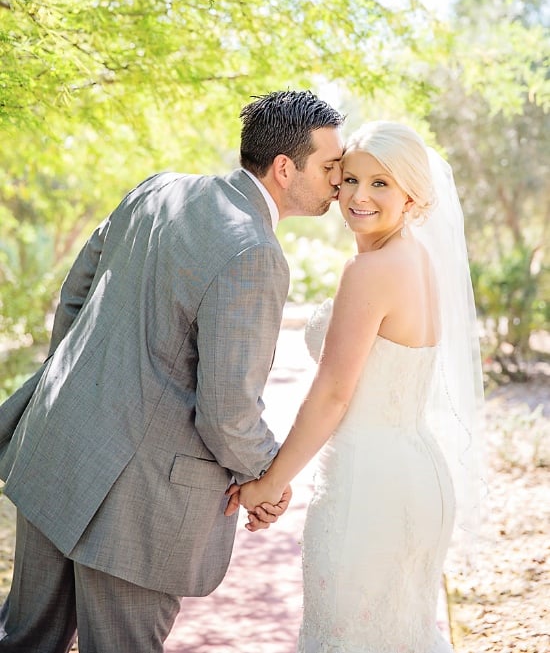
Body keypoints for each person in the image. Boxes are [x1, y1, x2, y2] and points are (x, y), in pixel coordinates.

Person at [0, 89, 344, 653]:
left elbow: (74, 298)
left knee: (23, 639)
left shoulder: (156, 190)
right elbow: (227, 411)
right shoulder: (254, 251)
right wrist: (269, 481)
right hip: (139, 509)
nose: (338, 181)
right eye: (330, 166)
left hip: (57, 450)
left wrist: (80, 394)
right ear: (285, 168)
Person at [227, 121, 485, 652]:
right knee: (403, 633)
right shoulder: (419, 260)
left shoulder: (370, 272)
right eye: (349, 180)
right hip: (419, 476)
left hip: (368, 488)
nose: (358, 196)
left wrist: (269, 484)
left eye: (381, 184)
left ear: (413, 194)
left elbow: (333, 394)